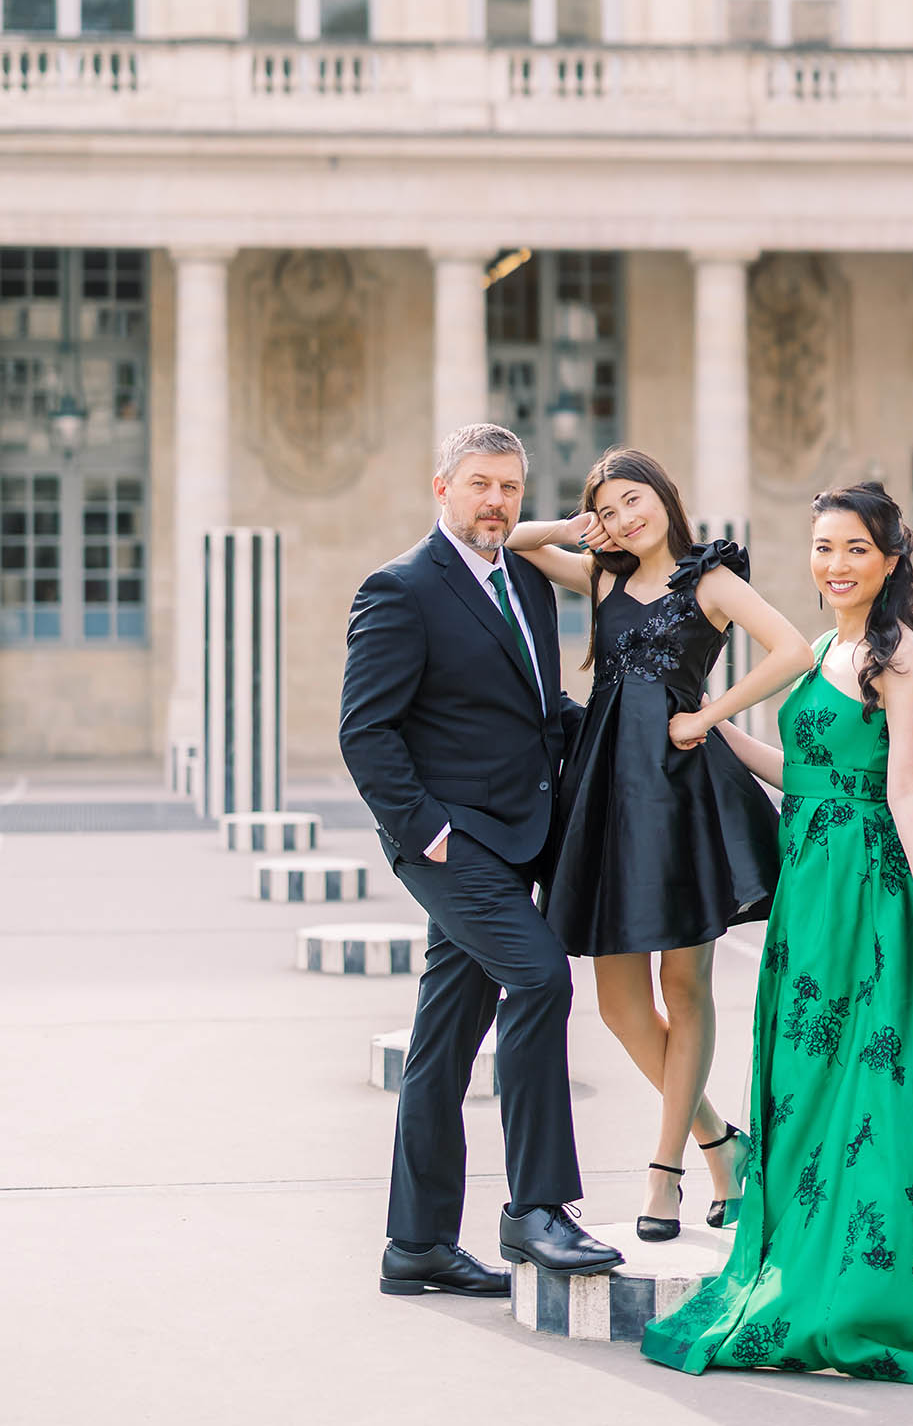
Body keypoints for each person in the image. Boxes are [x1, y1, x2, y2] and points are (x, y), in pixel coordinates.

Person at [641, 484, 913, 1382]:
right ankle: (803, 1247)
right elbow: (803, 769)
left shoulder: (899, 655)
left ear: (888, 560)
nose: (834, 566)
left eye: (853, 550)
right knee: (806, 1078)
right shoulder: (828, 649)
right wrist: (712, 727)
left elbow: (909, 785)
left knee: (872, 1079)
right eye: (822, 548)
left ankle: (874, 1283)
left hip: (868, 892)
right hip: (809, 888)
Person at [338, 422, 623, 1299]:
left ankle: (416, 1244)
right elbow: (365, 731)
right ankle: (535, 1210)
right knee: (540, 978)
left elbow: (543, 712)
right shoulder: (400, 589)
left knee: (443, 1041)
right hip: (451, 847)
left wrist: (637, 746)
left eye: (508, 487)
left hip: (520, 839)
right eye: (479, 485)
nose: (495, 501)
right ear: (442, 489)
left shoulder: (526, 584)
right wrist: (426, 833)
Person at [508, 449, 808, 1240]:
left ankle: (664, 1170)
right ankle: (721, 1141)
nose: (624, 519)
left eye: (633, 501)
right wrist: (578, 527)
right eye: (609, 510)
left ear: (665, 498)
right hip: (605, 792)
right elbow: (512, 542)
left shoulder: (709, 580)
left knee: (684, 990)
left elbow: (792, 650)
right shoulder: (602, 576)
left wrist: (710, 718)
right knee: (617, 1006)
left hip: (681, 791)